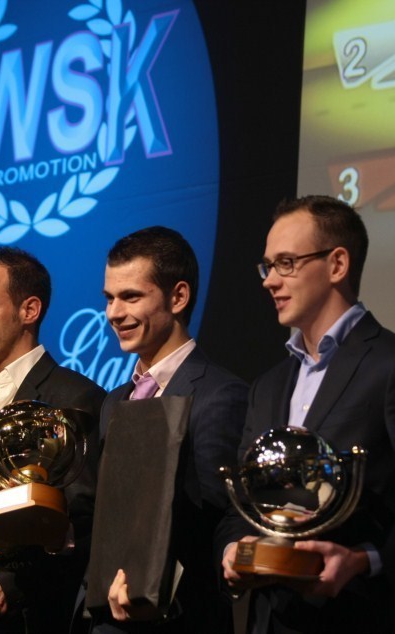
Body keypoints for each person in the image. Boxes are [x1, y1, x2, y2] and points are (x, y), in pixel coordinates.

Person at [218, 195, 395, 633]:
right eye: (267, 266)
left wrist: (363, 560)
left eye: (286, 263)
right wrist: (232, 550)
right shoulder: (267, 387)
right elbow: (240, 507)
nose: (270, 281)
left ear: (337, 264)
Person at [0, 246, 106, 634]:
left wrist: (11, 582)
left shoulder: (74, 398)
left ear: (29, 310)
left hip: (16, 616)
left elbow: (84, 521)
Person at [88, 226, 248, 632]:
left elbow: (220, 521)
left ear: (178, 297)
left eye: (131, 297)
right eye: (109, 298)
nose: (113, 313)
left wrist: (158, 591)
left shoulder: (219, 395)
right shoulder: (114, 401)